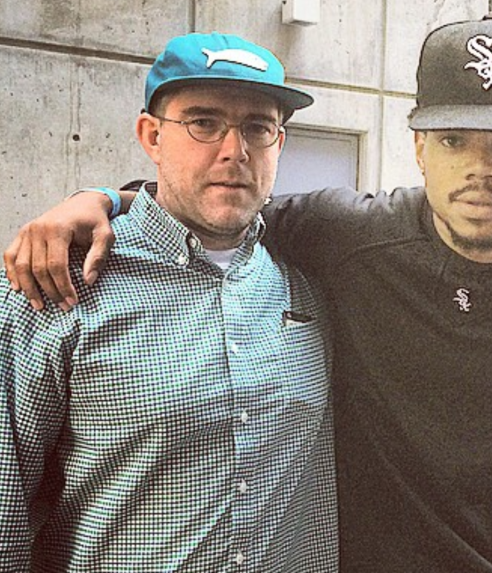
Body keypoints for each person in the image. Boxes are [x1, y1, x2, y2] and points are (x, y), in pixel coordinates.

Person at [4, 18, 492, 573]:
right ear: (420, 149)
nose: (232, 150)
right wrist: (104, 199)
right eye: (203, 123)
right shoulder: (344, 238)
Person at [0, 32, 337, 571]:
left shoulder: (312, 285)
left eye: (258, 127)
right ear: (151, 136)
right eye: (204, 123)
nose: (234, 150)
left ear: (281, 144)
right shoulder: (55, 286)